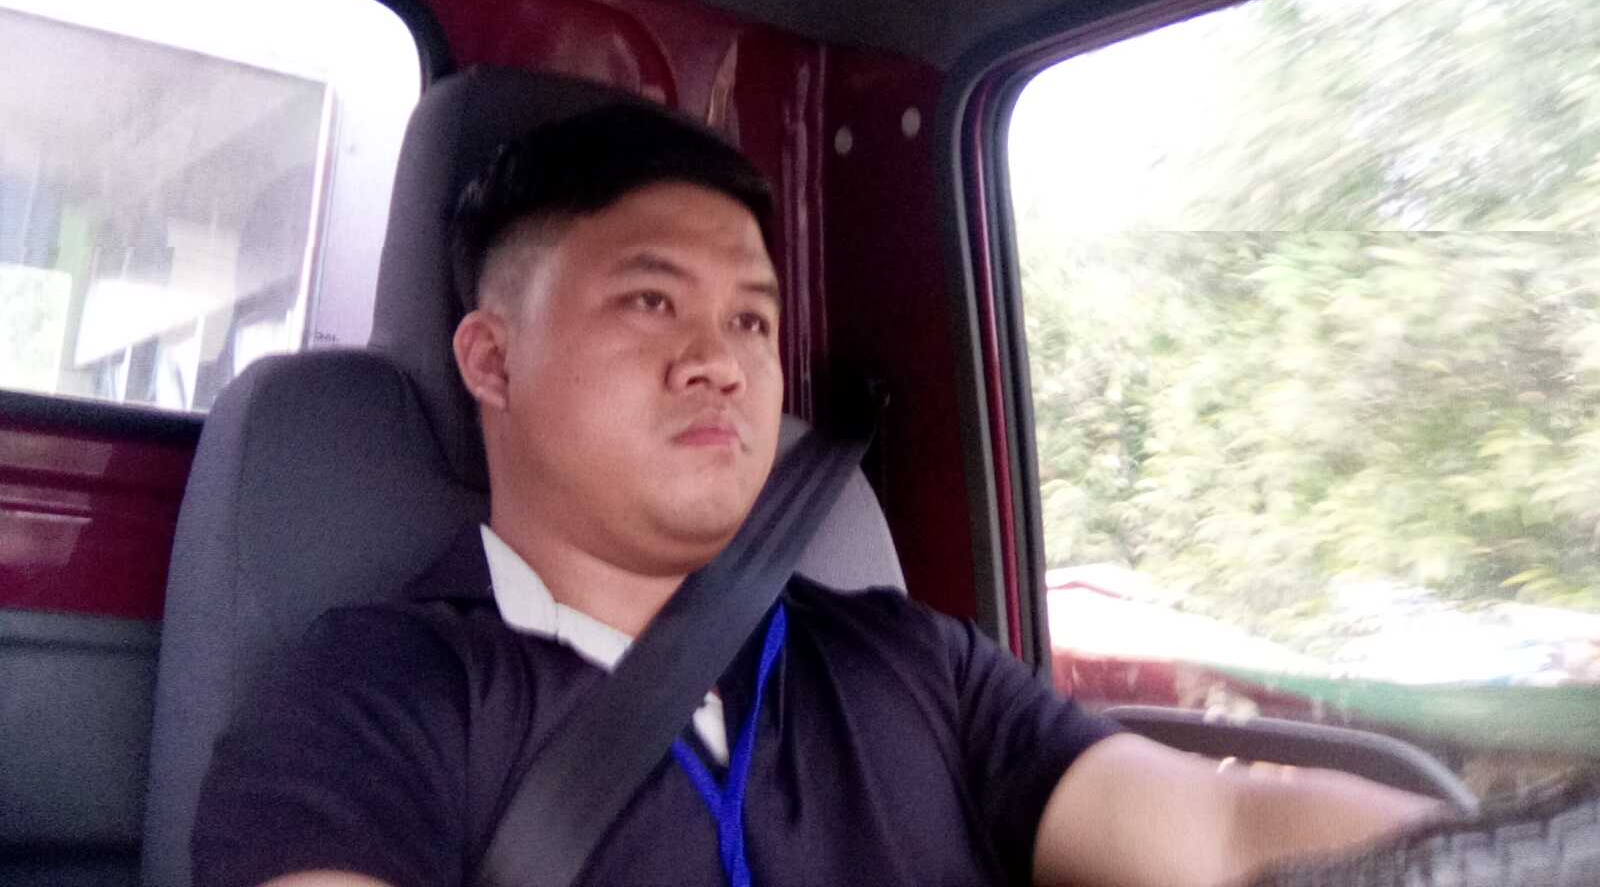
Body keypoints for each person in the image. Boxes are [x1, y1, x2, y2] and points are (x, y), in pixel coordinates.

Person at [193, 104, 1441, 887]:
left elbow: (1220, 833)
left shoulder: (912, 665)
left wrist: (1473, 857)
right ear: (491, 360)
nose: (719, 359)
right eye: (649, 300)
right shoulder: (373, 696)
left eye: (751, 318)